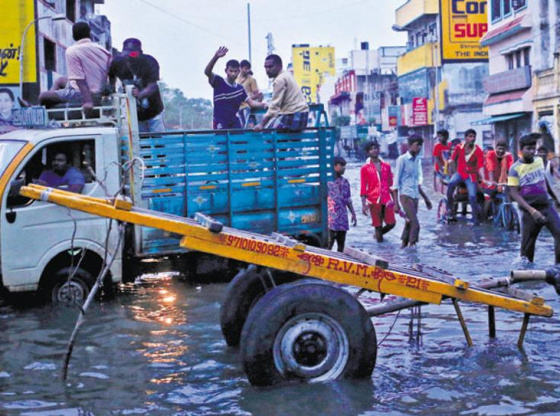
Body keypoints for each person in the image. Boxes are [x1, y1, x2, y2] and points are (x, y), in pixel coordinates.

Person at [36, 22, 111, 114]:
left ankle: (37, 110)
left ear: (73, 36)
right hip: (100, 90)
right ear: (89, 34)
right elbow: (110, 73)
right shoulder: (104, 51)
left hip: (83, 93)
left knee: (43, 96)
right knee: (60, 80)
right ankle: (49, 103)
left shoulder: (72, 51)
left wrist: (88, 101)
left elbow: (80, 79)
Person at [508, 133, 560, 264]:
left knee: (559, 234)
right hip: (528, 211)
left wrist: (555, 198)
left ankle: (558, 267)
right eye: (528, 149)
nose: (532, 152)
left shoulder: (539, 161)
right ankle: (525, 276)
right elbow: (514, 194)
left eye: (533, 148)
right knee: (527, 250)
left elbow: (544, 181)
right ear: (521, 150)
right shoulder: (514, 169)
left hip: (546, 206)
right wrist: (532, 211)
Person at [109, 38, 166, 132]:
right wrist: (112, 88)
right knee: (141, 142)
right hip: (134, 114)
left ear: (140, 53)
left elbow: (152, 86)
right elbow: (111, 75)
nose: (130, 58)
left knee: (159, 142)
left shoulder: (150, 62)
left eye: (133, 54)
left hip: (153, 111)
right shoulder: (117, 63)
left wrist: (140, 94)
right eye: (127, 55)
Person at [205, 47, 265, 130]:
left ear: (239, 72)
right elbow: (207, 72)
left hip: (234, 123)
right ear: (226, 71)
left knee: (240, 140)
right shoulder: (218, 81)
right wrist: (216, 57)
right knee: (222, 141)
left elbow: (251, 103)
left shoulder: (240, 89)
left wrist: (265, 104)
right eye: (231, 71)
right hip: (220, 123)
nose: (233, 74)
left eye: (235, 71)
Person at [392, 134, 432, 248]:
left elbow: (417, 184)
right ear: (410, 145)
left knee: (409, 222)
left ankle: (403, 246)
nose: (419, 148)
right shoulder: (402, 159)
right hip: (405, 196)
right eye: (416, 145)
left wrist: (426, 199)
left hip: (415, 196)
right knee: (415, 224)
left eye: (420, 145)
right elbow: (395, 183)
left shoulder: (417, 161)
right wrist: (396, 204)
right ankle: (412, 247)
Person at [253, 54, 309, 132]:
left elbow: (274, 106)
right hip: (303, 116)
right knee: (275, 128)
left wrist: (262, 124)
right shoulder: (286, 74)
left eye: (270, 67)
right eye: (265, 67)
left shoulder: (279, 80)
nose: (267, 70)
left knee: (267, 133)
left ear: (279, 66)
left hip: (293, 116)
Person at [446, 129, 485, 225]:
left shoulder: (478, 150)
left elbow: (480, 166)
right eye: (470, 136)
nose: (472, 138)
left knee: (472, 196)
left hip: (471, 176)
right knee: (450, 184)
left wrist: (483, 178)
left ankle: (475, 218)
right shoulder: (459, 147)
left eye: (473, 136)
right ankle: (450, 208)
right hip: (460, 173)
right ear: (466, 138)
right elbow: (453, 159)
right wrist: (451, 167)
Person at [360, 141, 395, 242]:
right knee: (377, 225)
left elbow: (391, 184)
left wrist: (395, 201)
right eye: (371, 149)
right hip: (373, 200)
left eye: (375, 148)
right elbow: (363, 187)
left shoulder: (386, 166)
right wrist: (363, 205)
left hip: (386, 199)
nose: (374, 150)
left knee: (391, 223)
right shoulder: (365, 168)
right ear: (368, 152)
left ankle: (377, 236)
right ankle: (381, 251)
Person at [328, 156, 357, 252]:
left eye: (344, 166)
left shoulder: (345, 182)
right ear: (334, 166)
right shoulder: (327, 182)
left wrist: (353, 213)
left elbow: (348, 199)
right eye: (341, 165)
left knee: (341, 245)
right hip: (330, 219)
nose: (344, 168)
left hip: (342, 218)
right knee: (328, 245)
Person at [237, 59, 262, 128]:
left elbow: (257, 94)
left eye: (248, 69)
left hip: (246, 106)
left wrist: (247, 98)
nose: (247, 70)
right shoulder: (236, 79)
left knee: (246, 126)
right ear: (240, 68)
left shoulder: (251, 80)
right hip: (236, 107)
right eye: (246, 69)